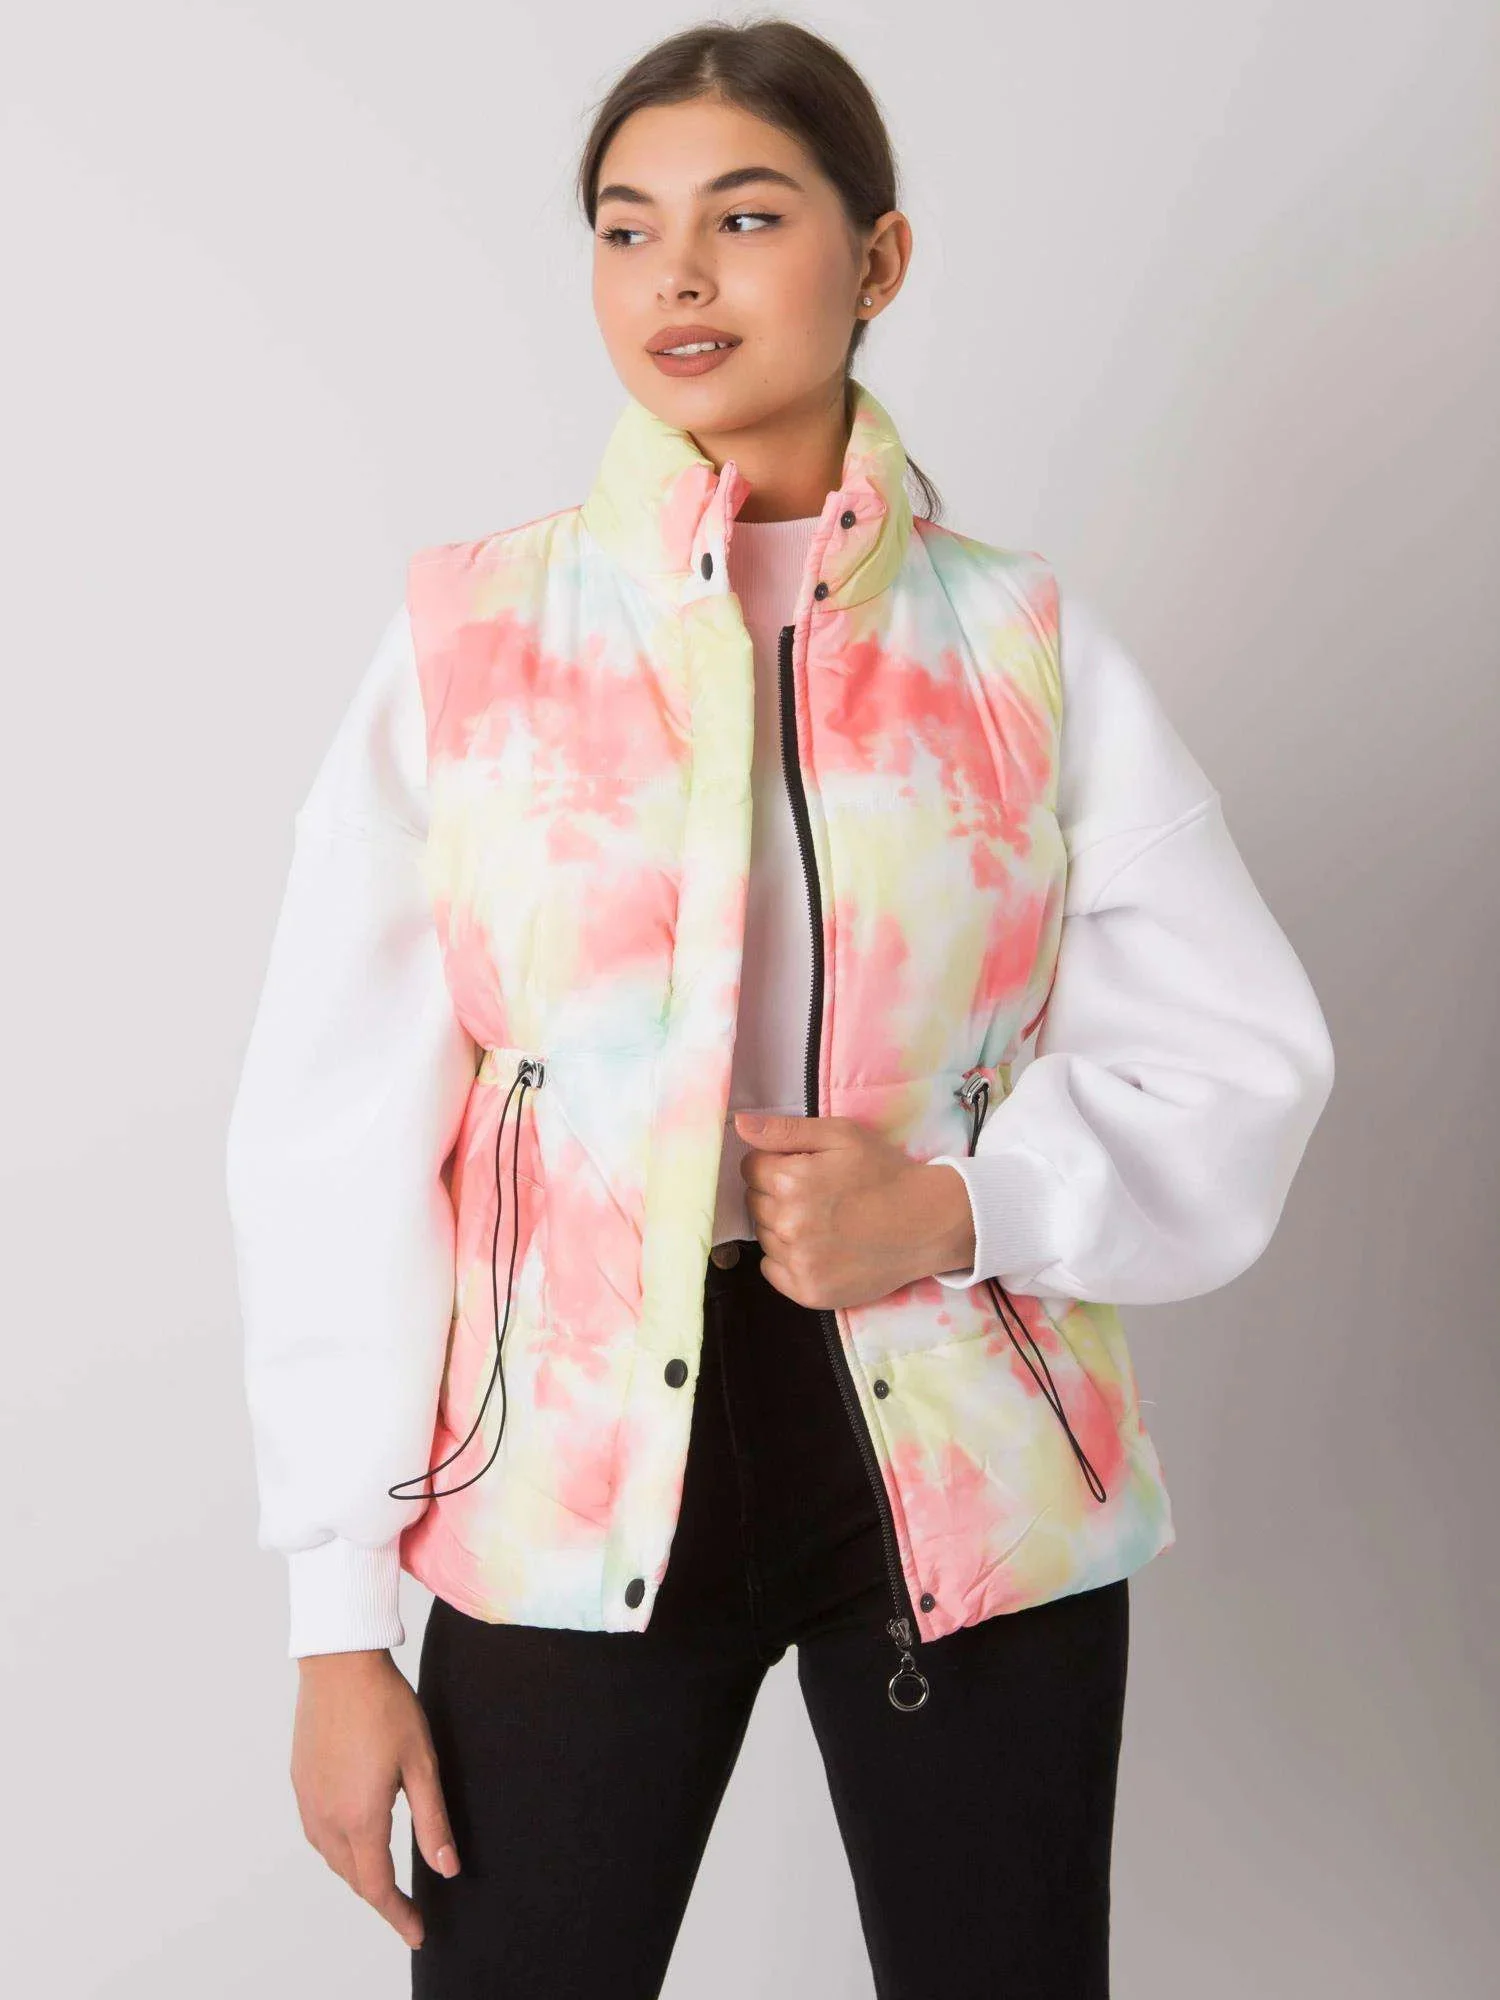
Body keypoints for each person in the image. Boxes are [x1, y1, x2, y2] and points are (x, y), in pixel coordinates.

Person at [225, 19, 1336, 1998]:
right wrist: (335, 1623)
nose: (678, 275)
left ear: (877, 257)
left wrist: (961, 1205)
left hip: (964, 1460)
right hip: (569, 1467)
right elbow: (334, 1137)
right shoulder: (475, 641)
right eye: (626, 226)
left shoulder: (1020, 645)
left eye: (745, 218)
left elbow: (1238, 1054)